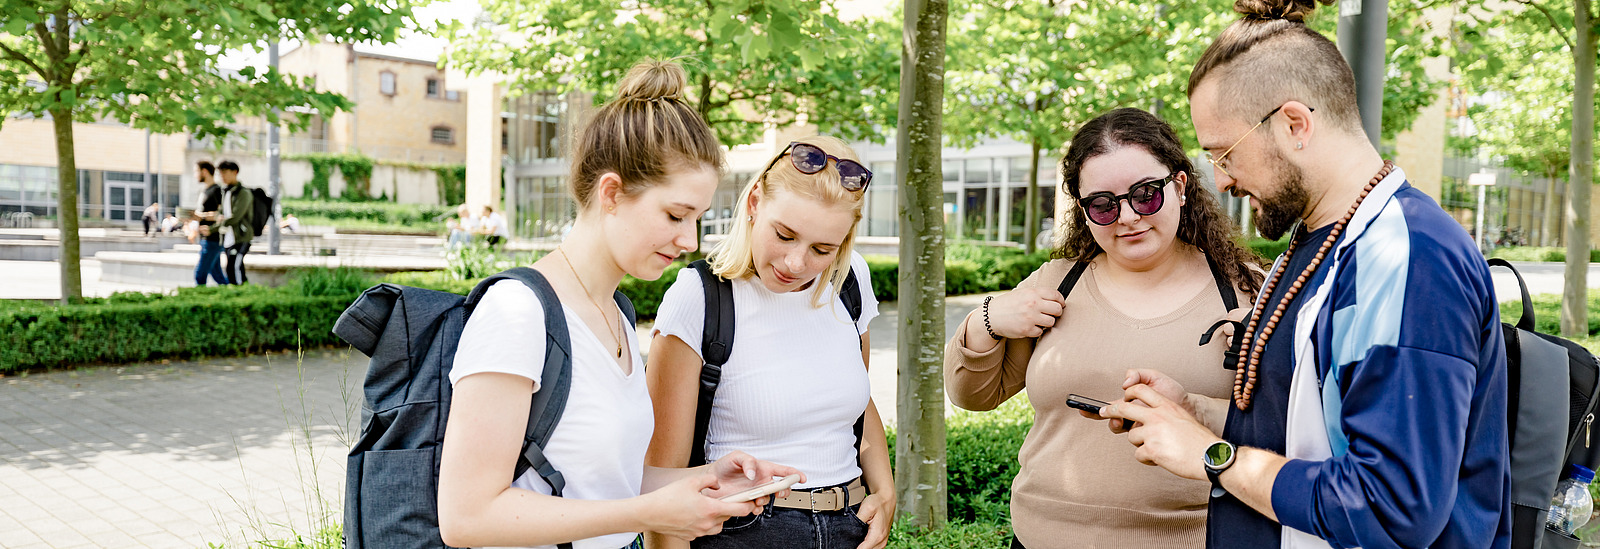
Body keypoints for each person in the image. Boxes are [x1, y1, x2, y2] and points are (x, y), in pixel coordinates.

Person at [1093, 2, 1511, 548]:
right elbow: (1314, 432)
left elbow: (1392, 507)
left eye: (1225, 153)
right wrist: (1195, 416)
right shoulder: (1321, 241)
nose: (1220, 181)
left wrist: (1210, 456)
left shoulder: (1405, 259)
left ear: (1295, 124)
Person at [437, 61, 802, 549]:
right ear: (611, 193)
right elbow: (468, 517)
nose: (689, 239)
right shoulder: (517, 312)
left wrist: (706, 481)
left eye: (697, 218)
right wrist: (650, 512)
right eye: (676, 214)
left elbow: (601, 487)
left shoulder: (618, 315)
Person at [943, 108, 1265, 548]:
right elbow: (973, 396)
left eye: (1146, 194)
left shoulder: (1248, 292)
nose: (1129, 216)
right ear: (1084, 210)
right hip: (1040, 538)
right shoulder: (1055, 283)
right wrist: (987, 319)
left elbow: (1288, 432)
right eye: (1104, 204)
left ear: (1182, 187)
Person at [645, 136, 896, 549]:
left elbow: (855, 401)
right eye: (784, 235)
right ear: (754, 202)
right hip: (743, 531)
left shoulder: (850, 280)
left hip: (852, 527)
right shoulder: (700, 297)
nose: (797, 264)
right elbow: (661, 481)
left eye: (822, 248)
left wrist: (884, 490)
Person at [216, 160, 254, 285]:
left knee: (234, 267)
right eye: (221, 173)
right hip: (228, 237)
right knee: (234, 268)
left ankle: (240, 295)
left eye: (225, 173)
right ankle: (243, 293)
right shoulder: (225, 191)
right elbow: (221, 213)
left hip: (241, 236)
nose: (223, 176)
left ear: (235, 172)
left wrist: (213, 228)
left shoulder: (243, 193)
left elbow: (235, 217)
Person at [192, 161, 229, 286]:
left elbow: (221, 215)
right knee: (217, 275)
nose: (195, 175)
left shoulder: (217, 190)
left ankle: (199, 302)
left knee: (199, 275)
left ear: (204, 172)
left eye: (196, 171)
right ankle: (233, 295)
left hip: (213, 238)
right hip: (205, 238)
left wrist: (201, 216)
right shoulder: (204, 191)